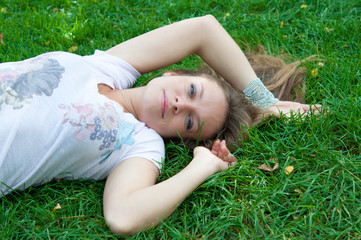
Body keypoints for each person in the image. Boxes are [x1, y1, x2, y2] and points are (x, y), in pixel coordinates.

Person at [0, 15, 320, 235]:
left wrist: (202, 167)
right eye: (192, 90)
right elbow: (204, 30)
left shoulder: (140, 144)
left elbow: (122, 217)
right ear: (174, 74)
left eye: (191, 121)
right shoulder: (108, 66)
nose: (182, 104)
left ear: (183, 137)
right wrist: (265, 101)